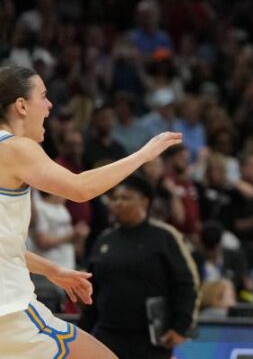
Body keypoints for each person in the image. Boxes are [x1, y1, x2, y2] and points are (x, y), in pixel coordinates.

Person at [0, 64, 181, 359]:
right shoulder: (16, 148)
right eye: (43, 96)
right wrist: (144, 155)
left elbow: (3, 245)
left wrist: (53, 270)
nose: (49, 105)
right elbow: (80, 188)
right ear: (21, 105)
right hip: (10, 311)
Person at [79, 175, 200, 359]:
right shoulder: (105, 239)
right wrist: (83, 330)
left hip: (151, 337)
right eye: (115, 199)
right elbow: (92, 290)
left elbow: (185, 283)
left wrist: (181, 327)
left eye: (125, 198)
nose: (118, 203)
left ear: (144, 202)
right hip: (107, 334)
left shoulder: (163, 237)